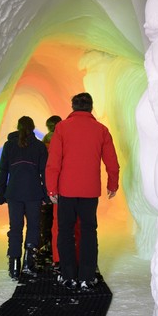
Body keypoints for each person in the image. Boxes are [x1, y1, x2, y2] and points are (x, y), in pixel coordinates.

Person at [46, 93, 119, 290]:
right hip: (89, 191)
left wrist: (52, 187)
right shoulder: (101, 130)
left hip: (66, 191)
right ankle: (87, 276)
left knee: (65, 231)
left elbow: (53, 162)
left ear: (73, 107)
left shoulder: (61, 128)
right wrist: (113, 183)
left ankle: (68, 275)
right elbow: (112, 162)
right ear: (90, 107)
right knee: (88, 231)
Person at [0, 115, 48, 280]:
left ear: (18, 127)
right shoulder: (39, 147)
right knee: (33, 227)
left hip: (14, 193)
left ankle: (14, 266)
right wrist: (46, 194)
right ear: (33, 128)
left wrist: (1, 193)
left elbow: (3, 170)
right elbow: (45, 172)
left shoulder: (9, 145)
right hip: (33, 192)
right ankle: (28, 263)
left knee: (15, 228)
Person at [39, 115, 64, 267]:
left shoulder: (43, 144)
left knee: (45, 220)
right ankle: (59, 251)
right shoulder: (62, 141)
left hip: (45, 185)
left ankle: (46, 248)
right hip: (61, 186)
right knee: (61, 221)